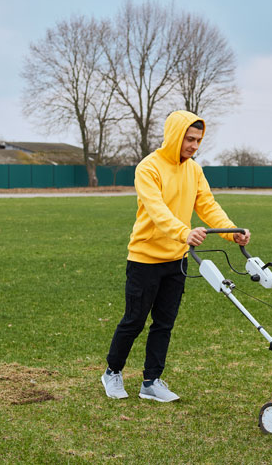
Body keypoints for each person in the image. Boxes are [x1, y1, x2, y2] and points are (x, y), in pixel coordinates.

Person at [101, 110, 249, 402]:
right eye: (189, 139)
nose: (194, 145)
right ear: (174, 136)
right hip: (144, 258)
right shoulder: (148, 168)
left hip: (177, 260)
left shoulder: (194, 170)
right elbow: (157, 211)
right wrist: (184, 233)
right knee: (134, 320)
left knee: (164, 323)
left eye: (198, 140)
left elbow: (208, 206)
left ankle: (151, 381)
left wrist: (232, 233)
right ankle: (112, 372)